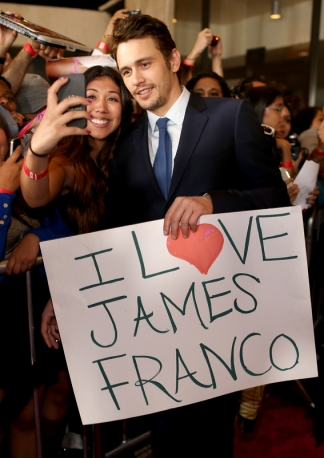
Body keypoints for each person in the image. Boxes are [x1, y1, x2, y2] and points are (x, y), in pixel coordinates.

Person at [106, 14, 290, 457]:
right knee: (167, 439)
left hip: (221, 318)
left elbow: (274, 198)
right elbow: (115, 230)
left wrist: (213, 202)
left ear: (173, 59)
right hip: (156, 321)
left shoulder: (230, 117)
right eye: (126, 71)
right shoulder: (127, 144)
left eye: (144, 65)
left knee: (208, 438)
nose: (136, 80)